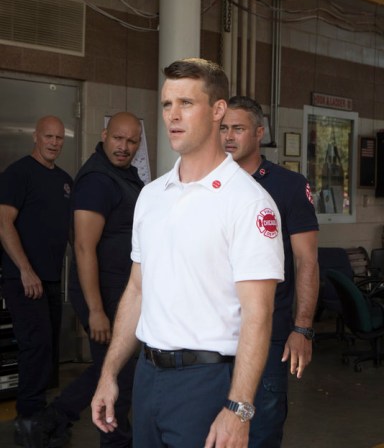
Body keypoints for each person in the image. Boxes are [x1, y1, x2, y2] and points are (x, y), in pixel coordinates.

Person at [91, 58, 284, 448]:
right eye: (166, 105)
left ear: (217, 110)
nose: (173, 116)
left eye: (186, 103)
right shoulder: (151, 195)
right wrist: (109, 373)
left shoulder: (248, 203)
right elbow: (137, 289)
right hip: (147, 376)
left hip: (206, 384)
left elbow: (258, 315)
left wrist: (239, 408)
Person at [220, 95, 319, 447]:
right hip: (211, 335)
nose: (229, 136)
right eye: (223, 128)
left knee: (259, 433)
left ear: (259, 132)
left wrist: (302, 328)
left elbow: (306, 260)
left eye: (239, 128)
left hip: (268, 332)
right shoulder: (207, 185)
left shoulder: (288, 185)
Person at [46, 112, 144, 447]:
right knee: (121, 377)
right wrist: (96, 310)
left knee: (109, 370)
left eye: (132, 141)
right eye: (118, 138)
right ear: (104, 135)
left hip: (121, 293)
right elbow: (84, 247)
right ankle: (114, 441)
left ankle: (55, 417)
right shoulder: (97, 181)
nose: (124, 147)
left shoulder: (124, 176)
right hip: (104, 296)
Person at [0, 116, 72, 448]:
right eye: (49, 136)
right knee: (36, 346)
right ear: (36, 136)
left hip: (52, 279)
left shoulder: (64, 180)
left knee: (48, 350)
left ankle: (39, 413)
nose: (54, 142)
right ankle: (27, 420)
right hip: (24, 279)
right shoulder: (18, 173)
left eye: (59, 138)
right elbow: (3, 223)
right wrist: (26, 270)